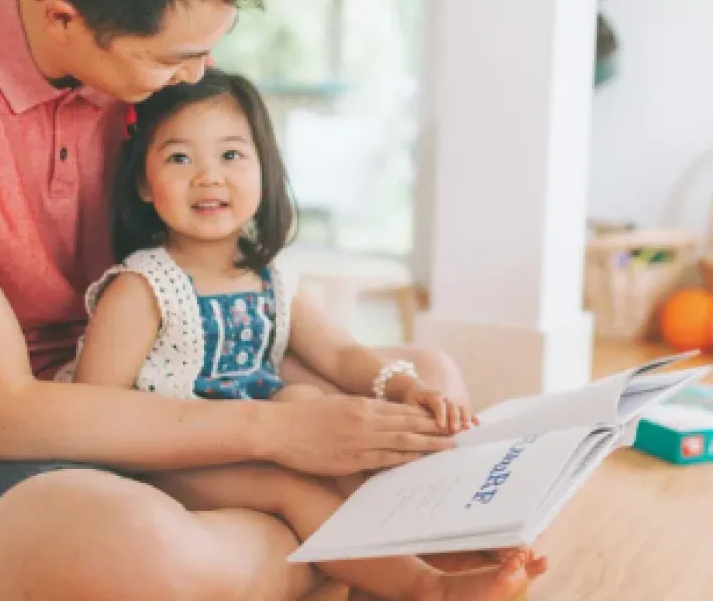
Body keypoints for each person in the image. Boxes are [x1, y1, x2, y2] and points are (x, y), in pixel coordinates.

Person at [0, 0, 473, 599]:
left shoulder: (141, 53)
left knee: (429, 377)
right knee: (150, 559)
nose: (196, 74)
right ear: (63, 18)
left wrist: (310, 416)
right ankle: (350, 542)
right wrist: (277, 436)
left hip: (166, 385)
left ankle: (321, 545)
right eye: (172, 59)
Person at [68, 68, 548, 601]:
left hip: (267, 436)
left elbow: (340, 354)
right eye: (179, 158)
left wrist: (406, 388)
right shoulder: (142, 287)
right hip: (176, 456)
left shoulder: (270, 277)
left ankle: (444, 544)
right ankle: (423, 587)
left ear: (265, 171)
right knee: (289, 484)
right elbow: (96, 416)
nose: (207, 177)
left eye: (230, 155)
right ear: (143, 183)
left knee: (314, 403)